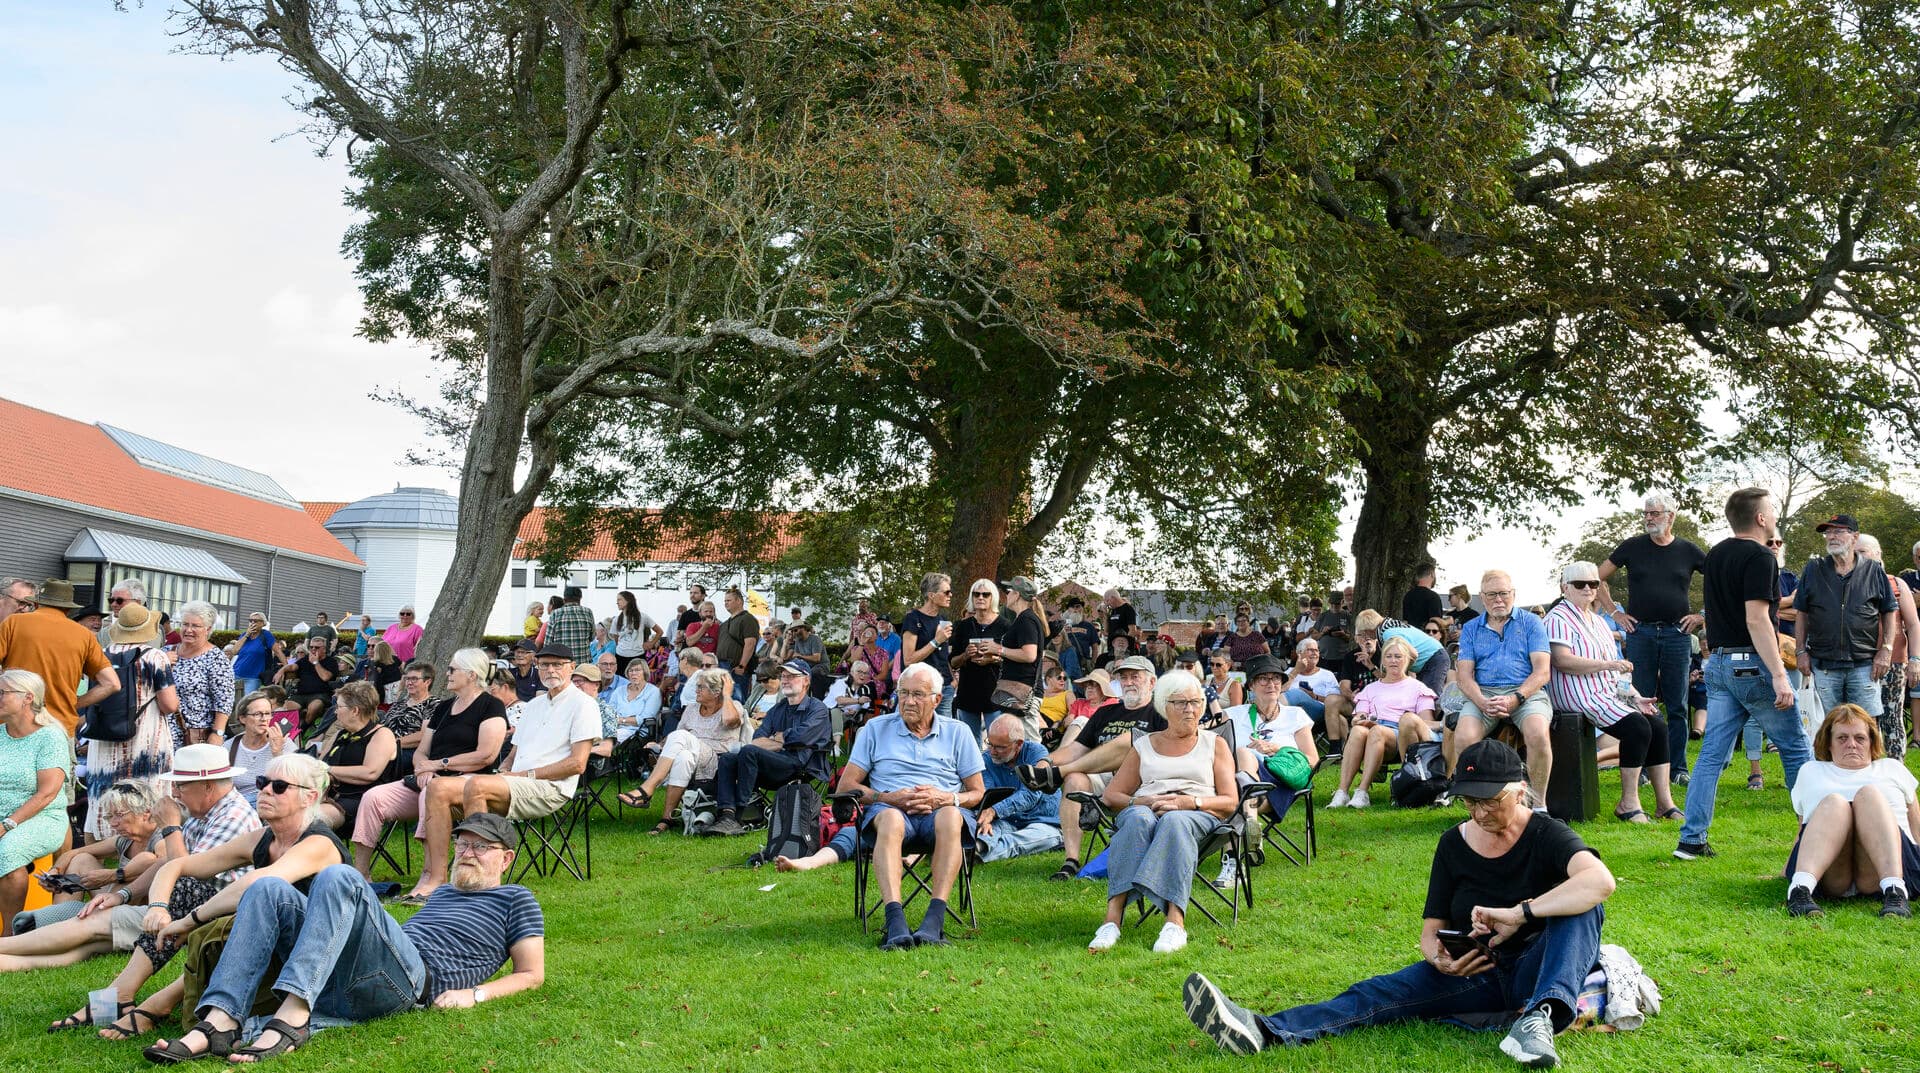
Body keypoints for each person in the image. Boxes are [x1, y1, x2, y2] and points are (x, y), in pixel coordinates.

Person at [1184, 739, 1616, 1067]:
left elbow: (1600, 882)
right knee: (1376, 993)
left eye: (1490, 801)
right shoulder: (1453, 844)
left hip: (1539, 970)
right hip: (1475, 971)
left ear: (1520, 791)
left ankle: (1539, 1020)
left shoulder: (1547, 833)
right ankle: (1264, 1030)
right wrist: (1439, 958)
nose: (1480, 812)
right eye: (1469, 801)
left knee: (1581, 908)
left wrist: (1521, 914)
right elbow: (1431, 929)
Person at [174, 813, 543, 1062]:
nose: (467, 853)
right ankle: (221, 1018)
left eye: (481, 847)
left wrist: (475, 994)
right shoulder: (444, 892)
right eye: (463, 844)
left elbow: (531, 974)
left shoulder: (515, 899)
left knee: (341, 877)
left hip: (410, 984)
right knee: (268, 887)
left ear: (506, 858)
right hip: (369, 965)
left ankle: (295, 1012)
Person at [136, 752, 358, 1062]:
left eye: (279, 786)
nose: (265, 790)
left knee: (265, 888)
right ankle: (217, 1021)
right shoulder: (262, 839)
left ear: (309, 797)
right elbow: (175, 866)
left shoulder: (319, 843)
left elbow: (260, 881)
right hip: (292, 959)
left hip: (349, 961)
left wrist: (189, 920)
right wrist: (157, 907)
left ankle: (132, 1002)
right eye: (262, 782)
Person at [1676, 488, 1813, 861]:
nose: (1773, 517)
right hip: (1751, 664)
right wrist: (1778, 675)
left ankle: (1691, 840)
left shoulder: (1716, 554)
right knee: (1795, 747)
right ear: (1760, 518)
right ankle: (1818, 832)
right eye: (1771, 511)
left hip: (1718, 664)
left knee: (1710, 756)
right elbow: (1757, 620)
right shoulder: (1760, 557)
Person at [404, 643, 598, 900]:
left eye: (557, 664)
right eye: (544, 664)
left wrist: (522, 776)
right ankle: (438, 880)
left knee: (476, 785)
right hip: (513, 783)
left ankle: (481, 881)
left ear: (572, 668)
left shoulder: (583, 704)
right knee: (437, 787)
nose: (550, 669)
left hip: (551, 787)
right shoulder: (534, 705)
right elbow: (513, 755)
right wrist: (505, 770)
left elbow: (577, 764)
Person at [837, 662, 986, 950]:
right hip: (890, 813)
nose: (908, 701)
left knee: (951, 817)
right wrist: (889, 798)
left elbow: (977, 792)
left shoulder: (958, 732)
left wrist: (946, 798)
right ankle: (895, 922)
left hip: (940, 815)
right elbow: (846, 787)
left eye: (918, 694)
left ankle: (934, 921)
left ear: (937, 700)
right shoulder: (875, 729)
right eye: (903, 693)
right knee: (892, 819)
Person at [1087, 670, 1236, 954]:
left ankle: (1174, 923)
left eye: (1195, 702)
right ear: (1164, 707)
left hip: (1196, 811)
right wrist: (1143, 802)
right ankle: (1111, 921)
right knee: (1137, 820)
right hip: (1147, 806)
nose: (1190, 709)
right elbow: (1112, 795)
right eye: (1181, 703)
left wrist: (1189, 802)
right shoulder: (1144, 745)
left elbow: (1230, 801)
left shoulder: (1214, 744)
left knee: (1174, 821)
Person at [349, 649, 508, 879]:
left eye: (453, 669)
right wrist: (423, 767)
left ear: (472, 675)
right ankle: (360, 874)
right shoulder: (443, 707)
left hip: (468, 782)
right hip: (429, 777)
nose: (447, 673)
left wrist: (437, 765)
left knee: (430, 793)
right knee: (373, 798)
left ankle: (431, 874)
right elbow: (421, 751)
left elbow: (486, 755)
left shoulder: (491, 706)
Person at [1544, 562, 1682, 824]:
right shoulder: (1556, 619)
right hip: (1576, 693)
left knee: (1657, 724)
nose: (1587, 589)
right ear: (1565, 588)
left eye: (1593, 584)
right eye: (1579, 584)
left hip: (1605, 692)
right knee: (1637, 728)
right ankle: (1628, 802)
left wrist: (1636, 696)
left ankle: (1664, 803)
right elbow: (1562, 661)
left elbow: (1615, 674)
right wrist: (1608, 665)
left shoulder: (1598, 622)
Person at [1021, 656, 1168, 881]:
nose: (1128, 682)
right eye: (1124, 677)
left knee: (1130, 740)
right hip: (1102, 779)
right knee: (1074, 780)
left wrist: (1058, 770)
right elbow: (1076, 749)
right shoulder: (1106, 713)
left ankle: (1057, 775)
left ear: (1152, 682)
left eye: (1135, 677)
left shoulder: (1160, 713)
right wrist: (1046, 762)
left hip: (1140, 785)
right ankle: (1071, 860)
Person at [1594, 494, 1708, 782]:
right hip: (1640, 633)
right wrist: (1614, 612)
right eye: (1645, 514)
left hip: (1677, 634)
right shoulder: (1632, 546)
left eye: (1654, 513)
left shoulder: (1688, 550)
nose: (1648, 518)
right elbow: (1596, 577)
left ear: (1670, 516)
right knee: (1638, 702)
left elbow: (1719, 580)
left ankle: (1678, 769)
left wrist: (1702, 616)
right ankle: (1642, 768)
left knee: (1678, 704)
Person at [1780, 703, 1917, 919]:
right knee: (1835, 802)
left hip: (1889, 863)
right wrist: (1787, 867)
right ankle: (1800, 890)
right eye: (1842, 738)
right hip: (1833, 873)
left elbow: (1914, 825)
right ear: (1829, 744)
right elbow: (1803, 829)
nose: (1851, 745)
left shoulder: (1892, 768)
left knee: (1869, 795)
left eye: (1859, 738)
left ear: (1872, 741)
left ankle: (1895, 891)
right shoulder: (1811, 771)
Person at [7, 779, 184, 940]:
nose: (113, 823)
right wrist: (55, 874)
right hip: (114, 901)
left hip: (140, 907)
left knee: (146, 858)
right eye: (110, 817)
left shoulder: (160, 837)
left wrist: (113, 875)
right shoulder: (125, 839)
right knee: (82, 859)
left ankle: (51, 924)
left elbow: (162, 861)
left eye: (119, 815)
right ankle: (56, 919)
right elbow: (72, 854)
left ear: (145, 812)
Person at [1793, 523, 1901, 755]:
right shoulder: (1814, 569)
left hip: (1864, 665)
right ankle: (1830, 782)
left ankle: (1867, 783)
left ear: (1855, 537)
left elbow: (1889, 610)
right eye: (1828, 533)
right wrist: (1800, 651)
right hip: (1823, 665)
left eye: (1838, 532)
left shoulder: (1873, 570)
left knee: (1866, 728)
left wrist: (1887, 649)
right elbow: (1801, 612)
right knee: (1827, 729)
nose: (1831, 537)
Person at [1452, 570, 1553, 801]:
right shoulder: (1470, 628)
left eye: (1504, 593)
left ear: (1513, 594)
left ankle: (1539, 805)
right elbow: (1464, 677)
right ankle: (1476, 803)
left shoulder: (1531, 623)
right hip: (1484, 694)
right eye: (1492, 594)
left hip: (1526, 692)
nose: (1499, 599)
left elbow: (1542, 672)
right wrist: (1482, 702)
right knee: (1464, 738)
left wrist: (1516, 698)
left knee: (1537, 733)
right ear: (1482, 596)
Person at [703, 660, 832, 836]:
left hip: (801, 766)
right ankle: (726, 814)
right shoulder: (778, 709)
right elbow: (757, 740)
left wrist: (779, 738)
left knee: (748, 752)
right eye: (784, 676)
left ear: (806, 680)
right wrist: (781, 741)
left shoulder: (818, 709)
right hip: (772, 764)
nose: (785, 680)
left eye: (792, 676)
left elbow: (802, 738)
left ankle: (741, 815)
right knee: (728, 758)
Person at [86, 605, 179, 840]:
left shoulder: (102, 653)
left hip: (105, 734)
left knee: (103, 792)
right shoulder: (155, 656)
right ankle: (145, 844)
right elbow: (169, 705)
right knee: (146, 790)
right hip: (145, 737)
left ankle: (101, 840)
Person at [616, 667, 745, 832]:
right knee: (683, 756)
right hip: (692, 755)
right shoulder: (691, 709)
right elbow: (677, 736)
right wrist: (660, 745)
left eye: (700, 687)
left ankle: (648, 788)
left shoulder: (733, 707)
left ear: (716, 692)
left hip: (717, 762)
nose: (695, 690)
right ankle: (667, 819)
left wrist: (727, 695)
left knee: (683, 737)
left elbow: (730, 721)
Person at [0, 669, 73, 936]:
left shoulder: (49, 736)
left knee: (8, 851)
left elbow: (47, 794)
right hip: (5, 818)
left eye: (2, 693)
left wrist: (7, 824)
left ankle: (8, 937)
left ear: (27, 698)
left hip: (41, 817)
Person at [0, 577, 120, 736]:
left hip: (14, 725)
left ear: (36, 603)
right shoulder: (85, 636)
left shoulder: (13, 623)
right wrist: (73, 704)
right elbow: (112, 684)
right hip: (60, 726)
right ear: (68, 609)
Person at [1328, 637, 1438, 809]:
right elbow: (1360, 715)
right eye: (1389, 656)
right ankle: (1342, 792)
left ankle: (1362, 791)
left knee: (1377, 731)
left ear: (1407, 660)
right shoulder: (1370, 689)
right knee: (1357, 730)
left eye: (1398, 656)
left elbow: (1425, 723)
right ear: (1383, 661)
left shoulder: (1418, 688)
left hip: (1401, 736)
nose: (1393, 661)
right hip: (1372, 733)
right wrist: (1359, 720)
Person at [309, 682, 399, 835]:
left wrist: (328, 770)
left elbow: (370, 773)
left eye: (339, 707)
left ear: (355, 711)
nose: (335, 711)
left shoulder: (381, 735)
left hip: (361, 802)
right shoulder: (340, 735)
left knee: (306, 823)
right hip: (328, 797)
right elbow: (319, 767)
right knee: (283, 815)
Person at [975, 714, 1062, 862]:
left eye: (1000, 747)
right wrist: (986, 817)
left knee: (1020, 840)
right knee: (987, 828)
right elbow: (987, 793)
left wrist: (994, 811)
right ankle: (977, 845)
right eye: (990, 743)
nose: (992, 751)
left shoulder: (1036, 753)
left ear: (1019, 744)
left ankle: (978, 851)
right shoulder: (986, 760)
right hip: (1008, 820)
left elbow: (1031, 794)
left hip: (1044, 821)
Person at [949, 579, 1010, 742]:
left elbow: (1012, 661)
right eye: (976, 594)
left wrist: (994, 658)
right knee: (969, 744)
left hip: (995, 693)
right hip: (968, 692)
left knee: (998, 741)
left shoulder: (1005, 626)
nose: (980, 597)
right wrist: (966, 655)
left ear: (993, 598)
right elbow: (953, 663)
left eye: (985, 594)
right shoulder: (963, 626)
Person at [1353, 609, 1453, 695]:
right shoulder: (1389, 626)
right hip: (1429, 660)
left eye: (1364, 632)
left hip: (1434, 659)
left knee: (1430, 697)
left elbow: (1413, 654)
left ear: (1369, 629)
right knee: (1422, 697)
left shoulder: (1388, 634)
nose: (1366, 636)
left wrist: (1402, 673)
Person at [901, 573, 956, 718]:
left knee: (944, 737)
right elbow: (908, 660)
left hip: (944, 688)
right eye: (946, 592)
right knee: (913, 731)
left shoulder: (943, 620)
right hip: (920, 689)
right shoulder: (913, 618)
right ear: (931, 595)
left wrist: (952, 681)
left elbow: (942, 655)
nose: (950, 595)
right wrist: (936, 640)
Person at [226, 692, 292, 807]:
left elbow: (293, 782)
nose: (264, 719)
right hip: (238, 804)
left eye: (268, 714)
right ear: (242, 718)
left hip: (271, 802)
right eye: (257, 714)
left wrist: (277, 752)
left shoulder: (283, 742)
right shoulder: (230, 747)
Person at [1282, 638, 1348, 747]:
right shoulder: (1289, 672)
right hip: (1291, 714)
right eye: (1310, 650)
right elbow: (1277, 691)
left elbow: (1335, 701)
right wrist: (1296, 671)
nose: (1315, 653)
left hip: (1320, 713)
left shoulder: (1327, 675)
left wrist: (1314, 696)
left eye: (1316, 650)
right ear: (1299, 654)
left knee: (1297, 694)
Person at [277, 636, 344, 728]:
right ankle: (286, 731)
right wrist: (282, 670)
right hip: (301, 694)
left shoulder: (331, 661)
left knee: (314, 707)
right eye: (311, 647)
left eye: (316, 647)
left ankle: (302, 729)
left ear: (324, 649)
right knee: (287, 707)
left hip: (320, 694)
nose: (313, 649)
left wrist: (315, 663)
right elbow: (293, 667)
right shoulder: (305, 660)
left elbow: (325, 677)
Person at [714, 587, 762, 701]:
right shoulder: (725, 623)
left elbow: (750, 643)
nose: (726, 603)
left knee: (737, 700)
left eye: (729, 600)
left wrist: (742, 665)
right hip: (721, 666)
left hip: (735, 667)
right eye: (725, 601)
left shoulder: (747, 619)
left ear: (739, 601)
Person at [226, 613, 282, 699]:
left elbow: (278, 652)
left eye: (255, 621)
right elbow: (234, 651)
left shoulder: (266, 635)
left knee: (247, 702)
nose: (252, 623)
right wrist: (246, 635)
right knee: (231, 702)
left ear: (263, 623)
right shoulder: (244, 635)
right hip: (236, 674)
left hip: (253, 678)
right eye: (250, 620)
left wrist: (284, 668)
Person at [383, 662, 437, 750]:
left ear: (427, 682)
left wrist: (391, 744)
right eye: (407, 679)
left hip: (404, 751)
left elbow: (424, 736)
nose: (409, 683)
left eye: (414, 679)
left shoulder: (433, 704)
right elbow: (384, 724)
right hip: (383, 745)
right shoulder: (400, 703)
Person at [610, 589, 660, 679]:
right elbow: (616, 639)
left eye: (619, 599)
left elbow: (659, 631)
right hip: (620, 657)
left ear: (628, 600)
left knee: (639, 682)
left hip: (638, 656)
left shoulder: (642, 616)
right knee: (621, 683)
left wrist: (651, 643)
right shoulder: (616, 619)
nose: (617, 602)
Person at [544, 587, 595, 658]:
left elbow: (548, 643)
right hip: (583, 663)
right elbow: (592, 637)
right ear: (580, 598)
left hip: (562, 663)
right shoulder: (588, 612)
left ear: (564, 599)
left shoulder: (555, 613)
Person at [1403, 562, 1445, 629]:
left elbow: (1405, 622)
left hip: (1410, 636)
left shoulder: (1408, 595)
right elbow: (1436, 623)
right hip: (1426, 637)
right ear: (1431, 575)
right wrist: (1449, 621)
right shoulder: (1433, 596)